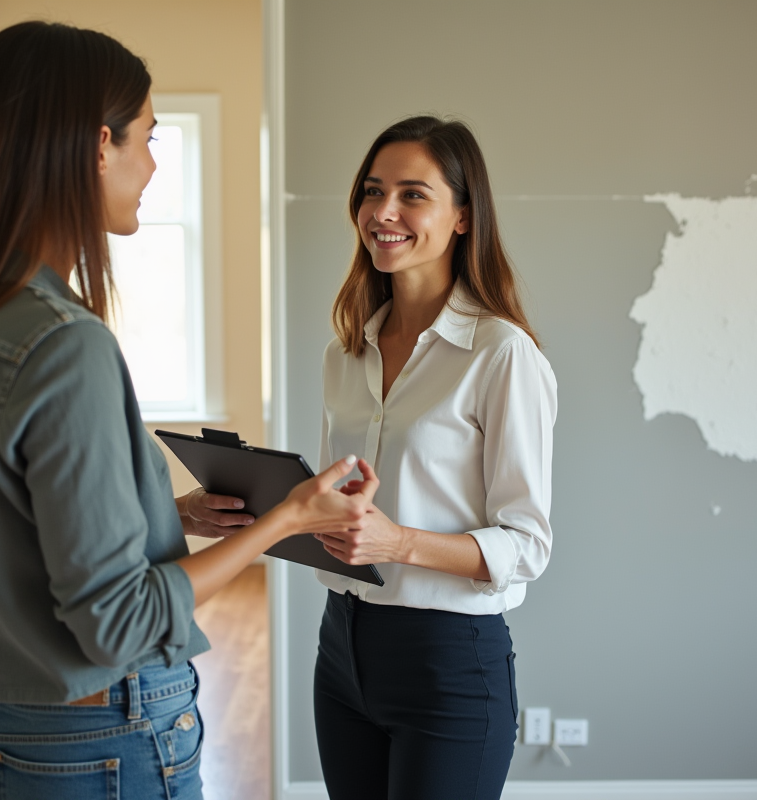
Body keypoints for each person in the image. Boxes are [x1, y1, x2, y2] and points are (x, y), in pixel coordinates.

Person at [0, 22, 376, 800]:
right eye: (148, 137)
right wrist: (289, 519)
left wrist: (167, 516)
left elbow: (14, 533)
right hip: (96, 752)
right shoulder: (61, 343)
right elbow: (121, 624)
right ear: (96, 146)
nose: (153, 164)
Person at [310, 116, 558, 799]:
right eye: (372, 191)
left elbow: (527, 545)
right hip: (341, 648)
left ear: (463, 217)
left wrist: (398, 543)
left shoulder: (501, 355)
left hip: (448, 662)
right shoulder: (344, 353)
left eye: (412, 194)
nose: (382, 212)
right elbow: (338, 504)